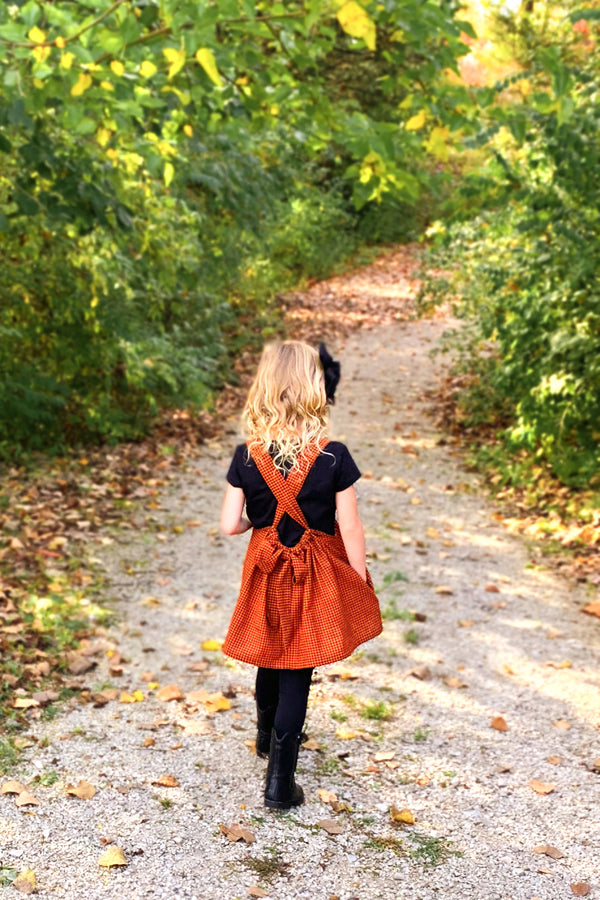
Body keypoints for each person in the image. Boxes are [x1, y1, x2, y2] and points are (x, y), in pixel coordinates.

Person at [219, 340, 382, 810]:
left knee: (269, 651)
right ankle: (280, 782)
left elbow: (230, 525)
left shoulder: (246, 456)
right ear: (316, 389)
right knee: (299, 665)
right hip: (318, 573)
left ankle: (265, 738)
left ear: (264, 388)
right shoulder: (333, 456)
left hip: (266, 569)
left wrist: (258, 521)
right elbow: (349, 524)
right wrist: (357, 579)